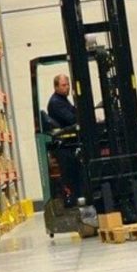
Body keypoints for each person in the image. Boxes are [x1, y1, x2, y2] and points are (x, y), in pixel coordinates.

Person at [46, 74, 82, 205]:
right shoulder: (56, 103)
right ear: (56, 87)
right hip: (65, 146)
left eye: (68, 85)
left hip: (69, 143)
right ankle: (75, 198)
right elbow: (72, 119)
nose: (67, 88)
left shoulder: (63, 100)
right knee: (74, 174)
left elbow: (75, 112)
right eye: (63, 85)